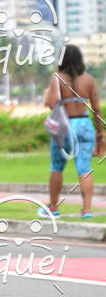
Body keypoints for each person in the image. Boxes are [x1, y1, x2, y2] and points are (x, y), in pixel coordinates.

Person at [42, 44, 104, 218]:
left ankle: (53, 208)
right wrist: (100, 133)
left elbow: (53, 104)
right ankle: (86, 210)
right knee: (84, 168)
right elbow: (96, 109)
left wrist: (48, 95)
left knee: (56, 167)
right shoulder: (89, 79)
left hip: (65, 127)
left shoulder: (57, 77)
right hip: (84, 125)